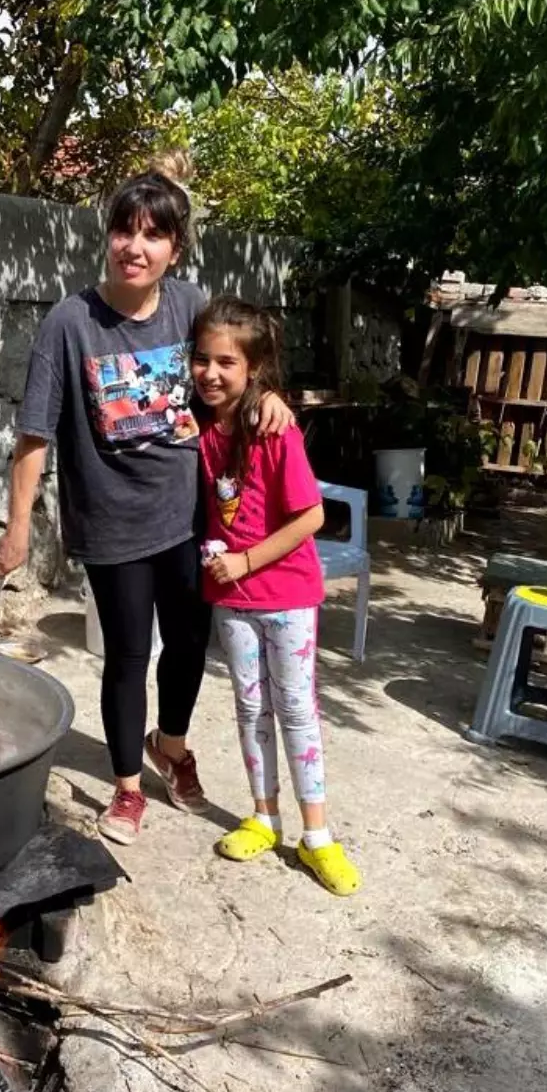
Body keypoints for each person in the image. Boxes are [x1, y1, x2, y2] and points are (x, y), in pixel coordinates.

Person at [0, 170, 293, 845]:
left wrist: (267, 395)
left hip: (190, 514)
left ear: (175, 249)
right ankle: (128, 787)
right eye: (124, 229)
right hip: (111, 522)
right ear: (108, 235)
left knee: (189, 641)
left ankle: (172, 745)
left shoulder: (189, 306)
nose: (135, 245)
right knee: (128, 654)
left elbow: (236, 362)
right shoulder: (69, 324)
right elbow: (35, 433)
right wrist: (17, 526)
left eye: (153, 234)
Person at [191, 295, 361, 896]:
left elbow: (311, 516)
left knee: (296, 711)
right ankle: (264, 816)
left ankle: (317, 837)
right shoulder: (204, 427)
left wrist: (243, 560)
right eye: (201, 359)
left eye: (226, 363)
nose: (210, 372)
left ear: (254, 370)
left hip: (286, 597)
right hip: (231, 601)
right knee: (248, 708)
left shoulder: (274, 429)